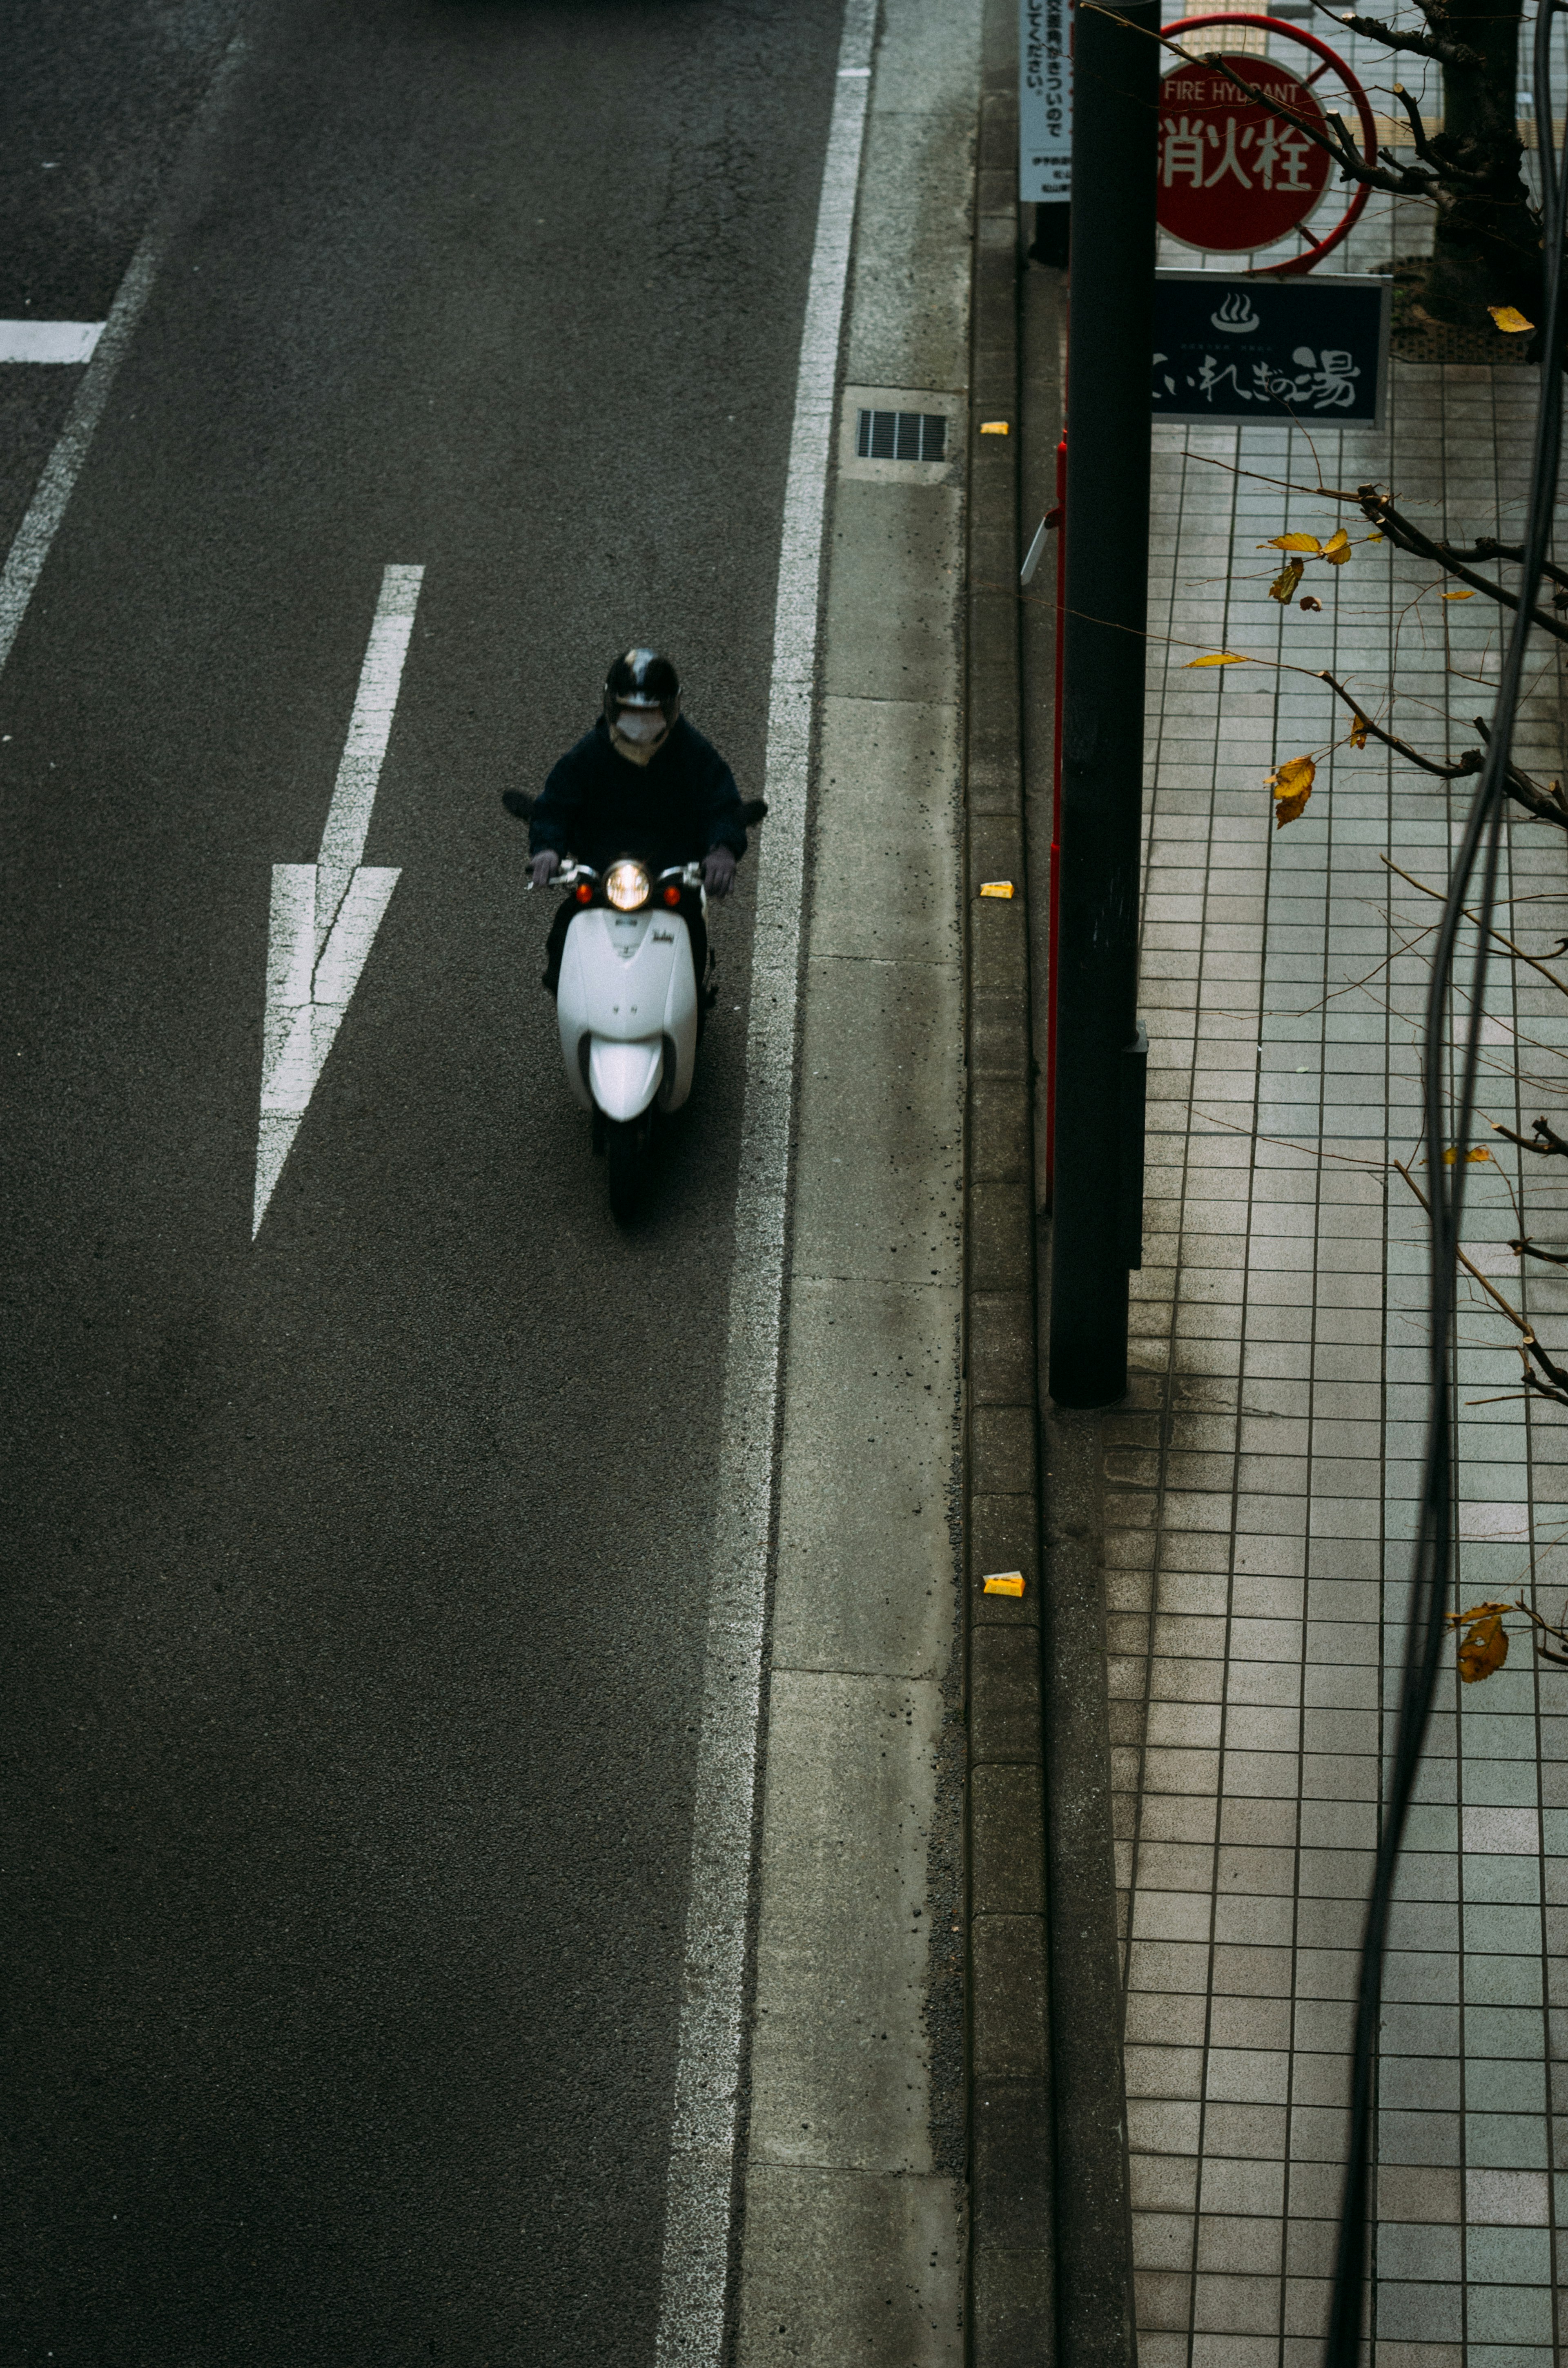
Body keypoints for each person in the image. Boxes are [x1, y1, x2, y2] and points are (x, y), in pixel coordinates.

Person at [529, 650, 748, 997]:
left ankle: (693, 1004)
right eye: (632, 712)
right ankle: (571, 998)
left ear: (671, 709)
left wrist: (723, 849)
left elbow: (722, 806)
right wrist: (547, 848)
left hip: (671, 873)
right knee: (563, 937)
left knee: (691, 938)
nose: (642, 722)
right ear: (613, 708)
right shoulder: (588, 756)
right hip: (604, 874)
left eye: (652, 712)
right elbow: (554, 807)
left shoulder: (693, 753)